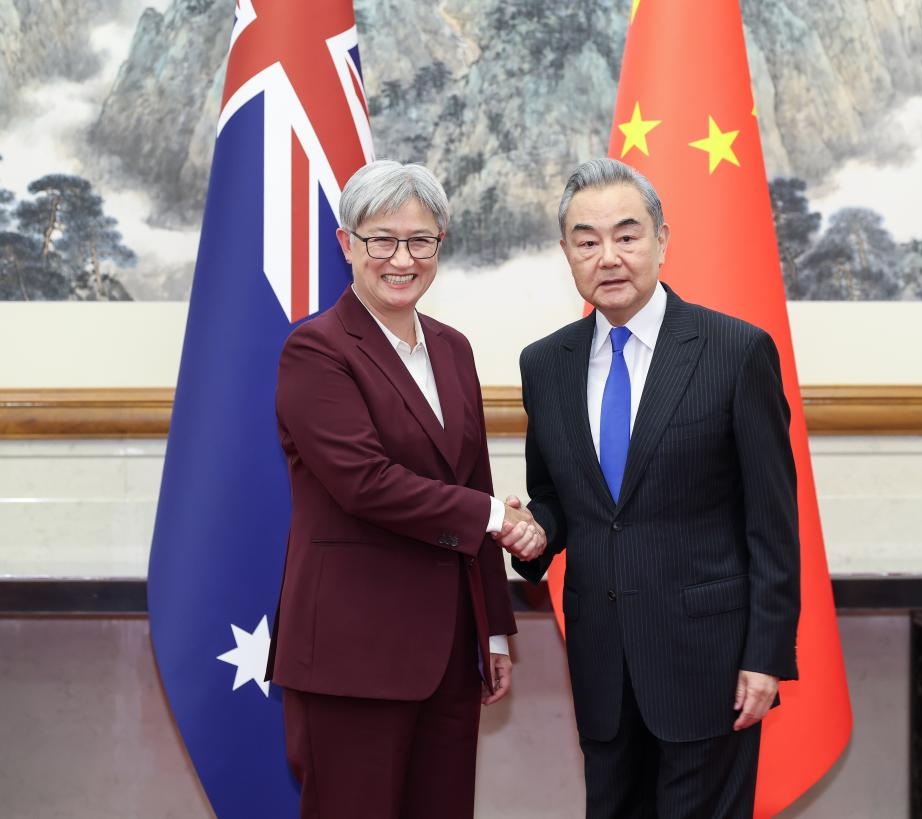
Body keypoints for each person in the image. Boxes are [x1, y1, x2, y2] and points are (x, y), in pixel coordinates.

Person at [511, 158, 800, 819]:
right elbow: (558, 499)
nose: (608, 256)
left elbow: (772, 522)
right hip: (603, 668)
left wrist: (766, 655)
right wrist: (534, 531)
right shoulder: (544, 364)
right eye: (586, 240)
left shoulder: (734, 352)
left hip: (711, 667)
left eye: (627, 234)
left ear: (662, 240)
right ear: (567, 253)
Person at [266, 159, 543, 819]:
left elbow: (468, 475)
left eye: (420, 240)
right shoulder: (316, 349)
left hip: (449, 650)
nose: (401, 257)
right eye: (381, 239)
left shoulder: (453, 349)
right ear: (346, 245)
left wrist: (494, 632)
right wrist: (495, 518)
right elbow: (366, 483)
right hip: (351, 652)